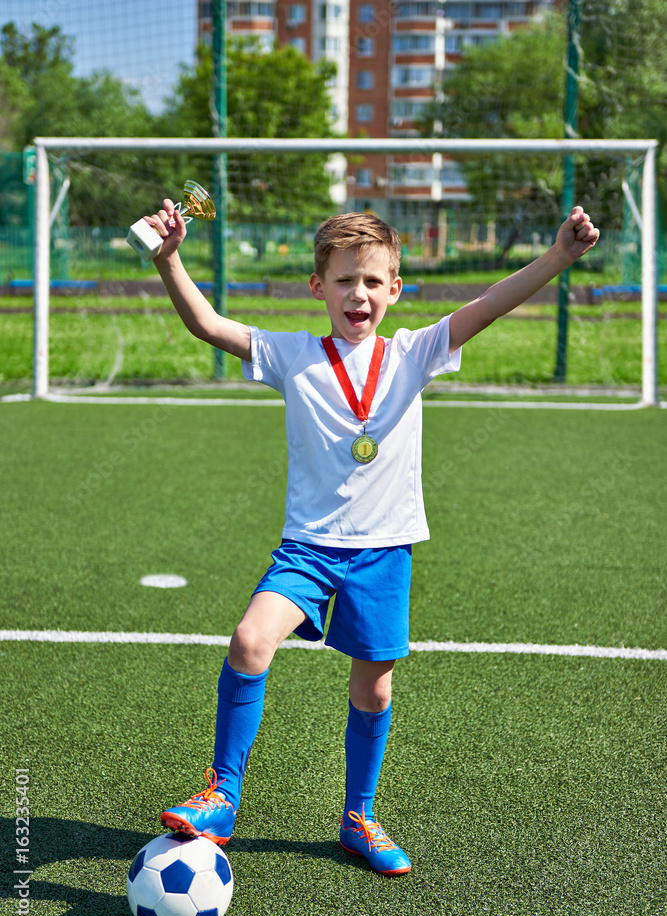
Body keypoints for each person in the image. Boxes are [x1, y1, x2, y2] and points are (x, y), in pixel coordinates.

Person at [143, 201, 599, 876]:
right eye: (343, 280)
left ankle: (358, 817)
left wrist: (559, 256)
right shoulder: (293, 354)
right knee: (248, 640)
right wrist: (168, 257)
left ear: (394, 290)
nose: (357, 294)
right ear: (317, 288)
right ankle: (222, 796)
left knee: (374, 690)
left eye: (372, 282)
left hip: (383, 551)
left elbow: (490, 303)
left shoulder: (414, 352)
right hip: (307, 549)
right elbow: (207, 324)